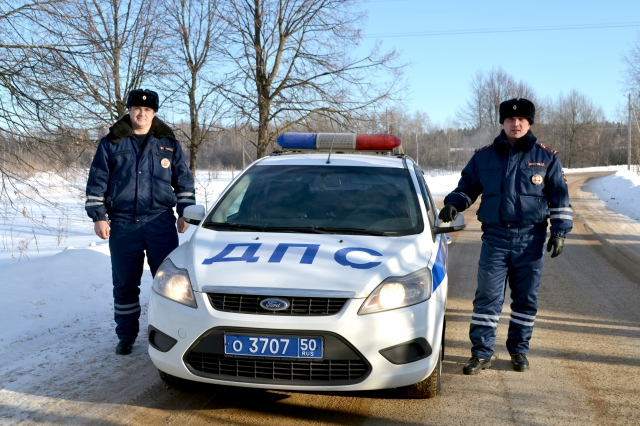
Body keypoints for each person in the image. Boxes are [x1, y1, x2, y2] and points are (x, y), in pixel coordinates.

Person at [439, 98, 572, 374]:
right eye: (511, 119)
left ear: (529, 123)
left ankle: (519, 351)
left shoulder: (547, 158)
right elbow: (468, 187)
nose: (516, 123)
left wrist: (559, 232)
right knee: (487, 297)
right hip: (495, 238)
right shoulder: (484, 157)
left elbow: (560, 197)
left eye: (522, 119)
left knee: (525, 299)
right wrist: (454, 203)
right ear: (503, 122)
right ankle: (481, 353)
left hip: (531, 239)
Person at [85, 89, 195, 355]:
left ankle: (173, 332)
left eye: (147, 110)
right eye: (136, 109)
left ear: (154, 113)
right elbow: (97, 181)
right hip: (123, 224)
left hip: (160, 223)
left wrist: (186, 212)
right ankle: (126, 336)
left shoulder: (168, 143)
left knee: (172, 284)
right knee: (124, 283)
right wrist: (99, 217)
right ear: (129, 111)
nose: (141, 113)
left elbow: (183, 180)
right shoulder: (111, 142)